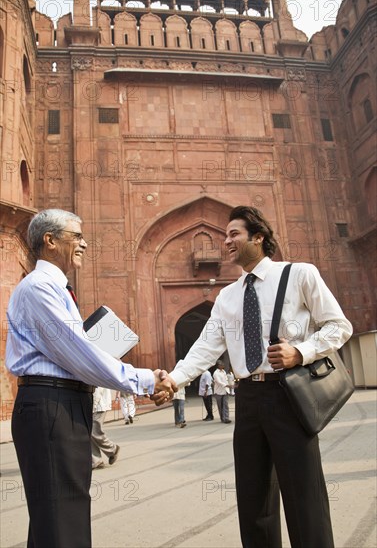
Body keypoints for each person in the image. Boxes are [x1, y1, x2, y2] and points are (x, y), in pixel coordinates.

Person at [168, 205, 353, 548]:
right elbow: (205, 347)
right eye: (225, 235)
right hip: (249, 399)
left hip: (289, 393)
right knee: (254, 499)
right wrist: (174, 379)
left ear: (259, 237)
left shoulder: (299, 274)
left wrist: (301, 352)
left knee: (303, 495)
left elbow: (339, 327)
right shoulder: (227, 296)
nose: (226, 241)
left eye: (233, 234)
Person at [5, 209, 175, 548]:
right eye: (76, 236)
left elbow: (77, 350)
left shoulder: (56, 288)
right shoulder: (40, 288)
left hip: (60, 404)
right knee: (61, 520)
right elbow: (78, 353)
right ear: (50, 241)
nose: (84, 243)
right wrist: (144, 380)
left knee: (55, 519)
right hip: (51, 405)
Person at [91, 387, 120, 469]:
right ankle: (96, 460)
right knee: (90, 432)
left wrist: (94, 404)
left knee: (94, 431)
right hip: (97, 404)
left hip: (99, 405)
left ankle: (112, 449)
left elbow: (98, 390)